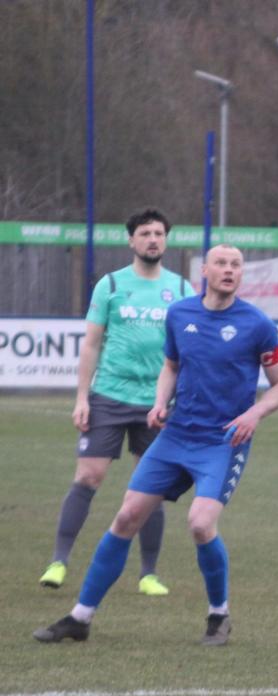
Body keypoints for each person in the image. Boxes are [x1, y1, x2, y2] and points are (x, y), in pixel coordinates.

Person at [33, 244, 278, 646]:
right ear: (204, 270)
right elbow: (171, 366)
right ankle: (80, 618)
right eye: (221, 263)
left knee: (200, 523)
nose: (229, 270)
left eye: (236, 265)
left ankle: (218, 615)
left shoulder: (257, 325)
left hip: (223, 441)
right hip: (176, 435)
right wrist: (159, 403)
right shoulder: (180, 314)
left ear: (241, 274)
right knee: (126, 517)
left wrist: (254, 414)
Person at [38, 208, 194, 597]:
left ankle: (149, 574)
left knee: (150, 487)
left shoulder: (182, 289)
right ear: (131, 240)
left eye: (159, 233)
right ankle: (58, 562)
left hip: (157, 403)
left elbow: (190, 349)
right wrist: (82, 397)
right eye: (145, 233)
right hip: (108, 396)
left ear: (166, 240)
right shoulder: (110, 284)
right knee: (88, 477)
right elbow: (91, 345)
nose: (153, 240)